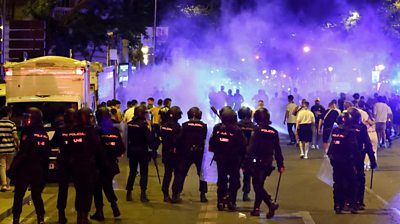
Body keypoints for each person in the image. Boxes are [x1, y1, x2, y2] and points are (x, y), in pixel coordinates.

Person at [9, 108, 51, 224]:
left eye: (29, 117)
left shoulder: (27, 132)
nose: (26, 120)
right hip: (38, 169)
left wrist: (13, 168)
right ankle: (40, 218)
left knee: (19, 195)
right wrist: (45, 173)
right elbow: (47, 155)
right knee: (37, 195)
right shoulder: (44, 134)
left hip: (25, 168)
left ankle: (16, 218)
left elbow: (23, 152)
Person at [244, 109, 284, 219]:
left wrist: (244, 162)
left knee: (257, 186)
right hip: (268, 162)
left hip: (256, 162)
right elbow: (278, 149)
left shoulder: (256, 131)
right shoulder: (273, 132)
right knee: (259, 185)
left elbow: (251, 148)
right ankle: (256, 209)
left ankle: (270, 203)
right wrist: (280, 164)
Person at [91, 107, 125, 221]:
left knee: (97, 188)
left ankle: (99, 212)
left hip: (98, 165)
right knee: (108, 186)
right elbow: (121, 149)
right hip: (111, 164)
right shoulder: (114, 131)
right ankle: (115, 209)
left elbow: (93, 148)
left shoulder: (96, 131)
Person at [209, 107, 247, 211]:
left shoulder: (217, 128)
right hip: (234, 160)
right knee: (235, 181)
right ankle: (231, 201)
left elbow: (211, 143)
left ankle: (220, 202)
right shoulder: (237, 130)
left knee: (222, 180)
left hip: (221, 159)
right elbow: (243, 145)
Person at [171, 107, 208, 203]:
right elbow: (205, 139)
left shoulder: (185, 125)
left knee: (180, 173)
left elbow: (179, 139)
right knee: (202, 175)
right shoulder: (203, 126)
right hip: (199, 153)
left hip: (186, 152)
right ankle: (203, 195)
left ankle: (176, 194)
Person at [327, 112, 360, 214]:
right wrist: (358, 162)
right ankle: (353, 205)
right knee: (352, 183)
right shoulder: (350, 133)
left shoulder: (335, 131)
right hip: (347, 161)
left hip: (336, 161)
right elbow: (354, 149)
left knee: (338, 184)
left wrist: (331, 158)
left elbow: (331, 147)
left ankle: (338, 205)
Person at [51, 108, 79, 224]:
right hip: (78, 163)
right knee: (80, 189)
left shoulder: (60, 130)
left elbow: (53, 144)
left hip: (64, 163)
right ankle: (81, 215)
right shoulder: (80, 129)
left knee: (62, 190)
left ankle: (61, 214)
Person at [126, 105, 157, 202]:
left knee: (132, 172)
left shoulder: (129, 124)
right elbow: (150, 140)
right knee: (143, 172)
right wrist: (155, 145)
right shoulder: (143, 126)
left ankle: (129, 192)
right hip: (142, 151)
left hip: (132, 150)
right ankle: (143, 194)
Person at [349, 108, 377, 210]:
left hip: (347, 157)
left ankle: (347, 202)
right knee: (359, 179)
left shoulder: (344, 128)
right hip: (358, 156)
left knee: (346, 179)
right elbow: (368, 145)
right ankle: (358, 201)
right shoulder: (362, 128)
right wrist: (372, 161)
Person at [160, 106, 182, 202]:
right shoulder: (178, 127)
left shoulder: (164, 126)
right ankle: (175, 194)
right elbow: (179, 141)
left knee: (167, 174)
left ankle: (165, 194)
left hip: (165, 152)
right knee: (177, 174)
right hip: (175, 154)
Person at [237, 107, 255, 201]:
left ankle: (231, 194)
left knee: (234, 174)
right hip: (249, 154)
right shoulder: (254, 127)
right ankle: (245, 194)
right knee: (247, 175)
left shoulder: (237, 126)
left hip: (237, 153)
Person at [0, 106, 19, 192]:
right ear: (9, 113)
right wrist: (18, 145)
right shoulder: (12, 124)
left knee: (2, 166)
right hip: (10, 149)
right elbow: (15, 137)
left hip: (1, 149)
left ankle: (3, 185)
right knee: (9, 167)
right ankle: (8, 185)